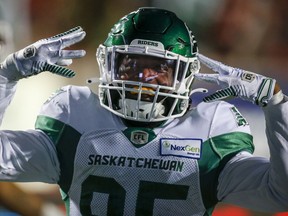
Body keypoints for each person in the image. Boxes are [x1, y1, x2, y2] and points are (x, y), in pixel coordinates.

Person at [0, 7, 287, 216]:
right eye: (132, 65)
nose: (145, 79)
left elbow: (281, 194)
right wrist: (5, 77)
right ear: (109, 66)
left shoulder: (211, 132)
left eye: (160, 68)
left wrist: (276, 104)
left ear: (184, 74)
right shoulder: (76, 120)